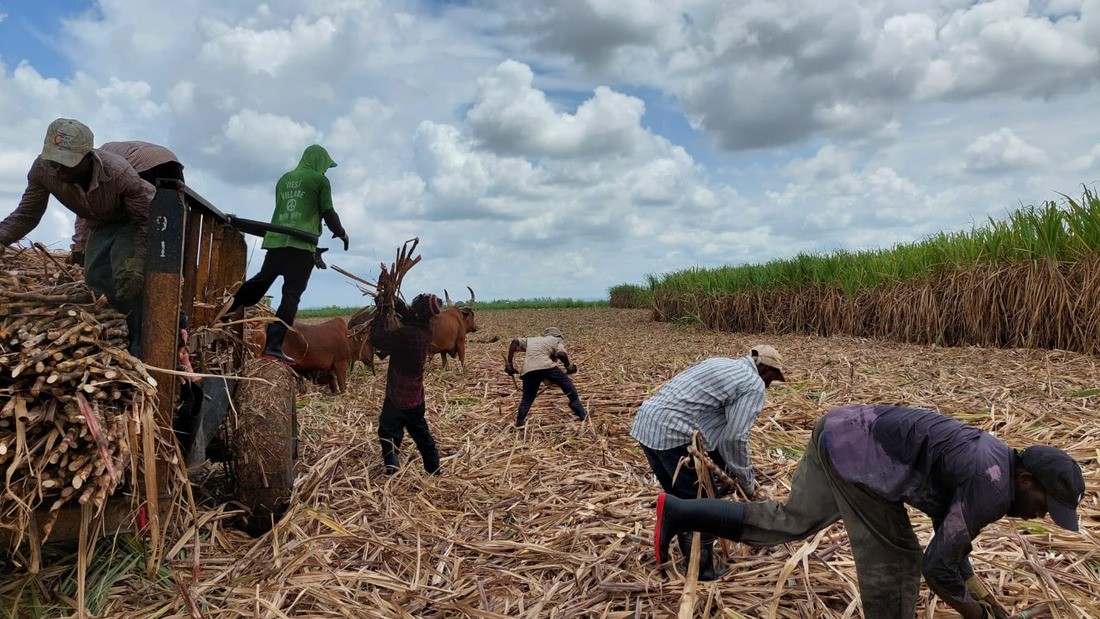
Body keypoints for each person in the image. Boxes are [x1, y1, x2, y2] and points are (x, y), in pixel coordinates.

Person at [652, 405, 1086, 618]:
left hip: (838, 429)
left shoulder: (996, 464)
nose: (1041, 516)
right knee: (898, 558)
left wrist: (985, 600)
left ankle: (677, 511)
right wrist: (975, 614)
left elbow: (954, 539)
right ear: (1027, 482)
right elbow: (937, 565)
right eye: (1046, 506)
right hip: (860, 457)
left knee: (792, 520)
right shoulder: (992, 484)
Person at [0, 118, 154, 356]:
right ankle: (119, 331)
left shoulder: (120, 174)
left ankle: (142, 342)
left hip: (134, 218)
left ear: (87, 157)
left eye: (67, 163)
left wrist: (139, 261)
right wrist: (1, 238)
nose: (58, 169)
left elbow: (143, 224)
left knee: (128, 278)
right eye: (54, 161)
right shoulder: (43, 170)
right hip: (100, 221)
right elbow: (27, 214)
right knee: (96, 279)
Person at [630, 345, 786, 580]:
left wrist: (723, 468)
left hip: (647, 424)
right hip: (673, 434)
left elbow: (711, 422)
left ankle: (685, 553)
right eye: (772, 378)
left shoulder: (722, 362)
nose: (769, 385)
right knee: (703, 506)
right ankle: (701, 570)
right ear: (764, 368)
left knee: (684, 501)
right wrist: (747, 482)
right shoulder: (753, 384)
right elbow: (735, 438)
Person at [226, 144, 349, 363]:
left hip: (276, 241)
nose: (326, 171)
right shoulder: (320, 181)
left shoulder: (284, 179)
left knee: (259, 283)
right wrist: (341, 233)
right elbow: (328, 213)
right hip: (301, 246)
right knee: (291, 295)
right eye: (326, 166)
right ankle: (273, 346)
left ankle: (226, 312)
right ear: (319, 161)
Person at [70, 140, 186, 266]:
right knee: (174, 218)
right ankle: (179, 266)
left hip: (142, 166)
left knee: (132, 220)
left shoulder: (97, 163)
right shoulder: (109, 150)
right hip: (171, 161)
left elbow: (86, 212)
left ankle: (136, 266)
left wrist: (79, 248)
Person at [369, 293, 442, 475]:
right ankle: (434, 469)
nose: (412, 306)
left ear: (419, 311)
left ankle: (392, 469)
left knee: (388, 432)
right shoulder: (427, 329)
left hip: (398, 397)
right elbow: (410, 317)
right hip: (416, 396)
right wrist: (394, 300)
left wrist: (381, 312)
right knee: (421, 434)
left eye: (415, 305)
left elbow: (377, 338)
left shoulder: (405, 334)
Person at [504, 327, 588, 428]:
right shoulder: (557, 340)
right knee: (568, 385)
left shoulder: (533, 340)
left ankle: (520, 421)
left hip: (528, 370)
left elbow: (514, 342)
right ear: (558, 335)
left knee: (527, 398)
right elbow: (561, 354)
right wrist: (568, 366)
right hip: (546, 366)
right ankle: (581, 413)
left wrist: (509, 364)